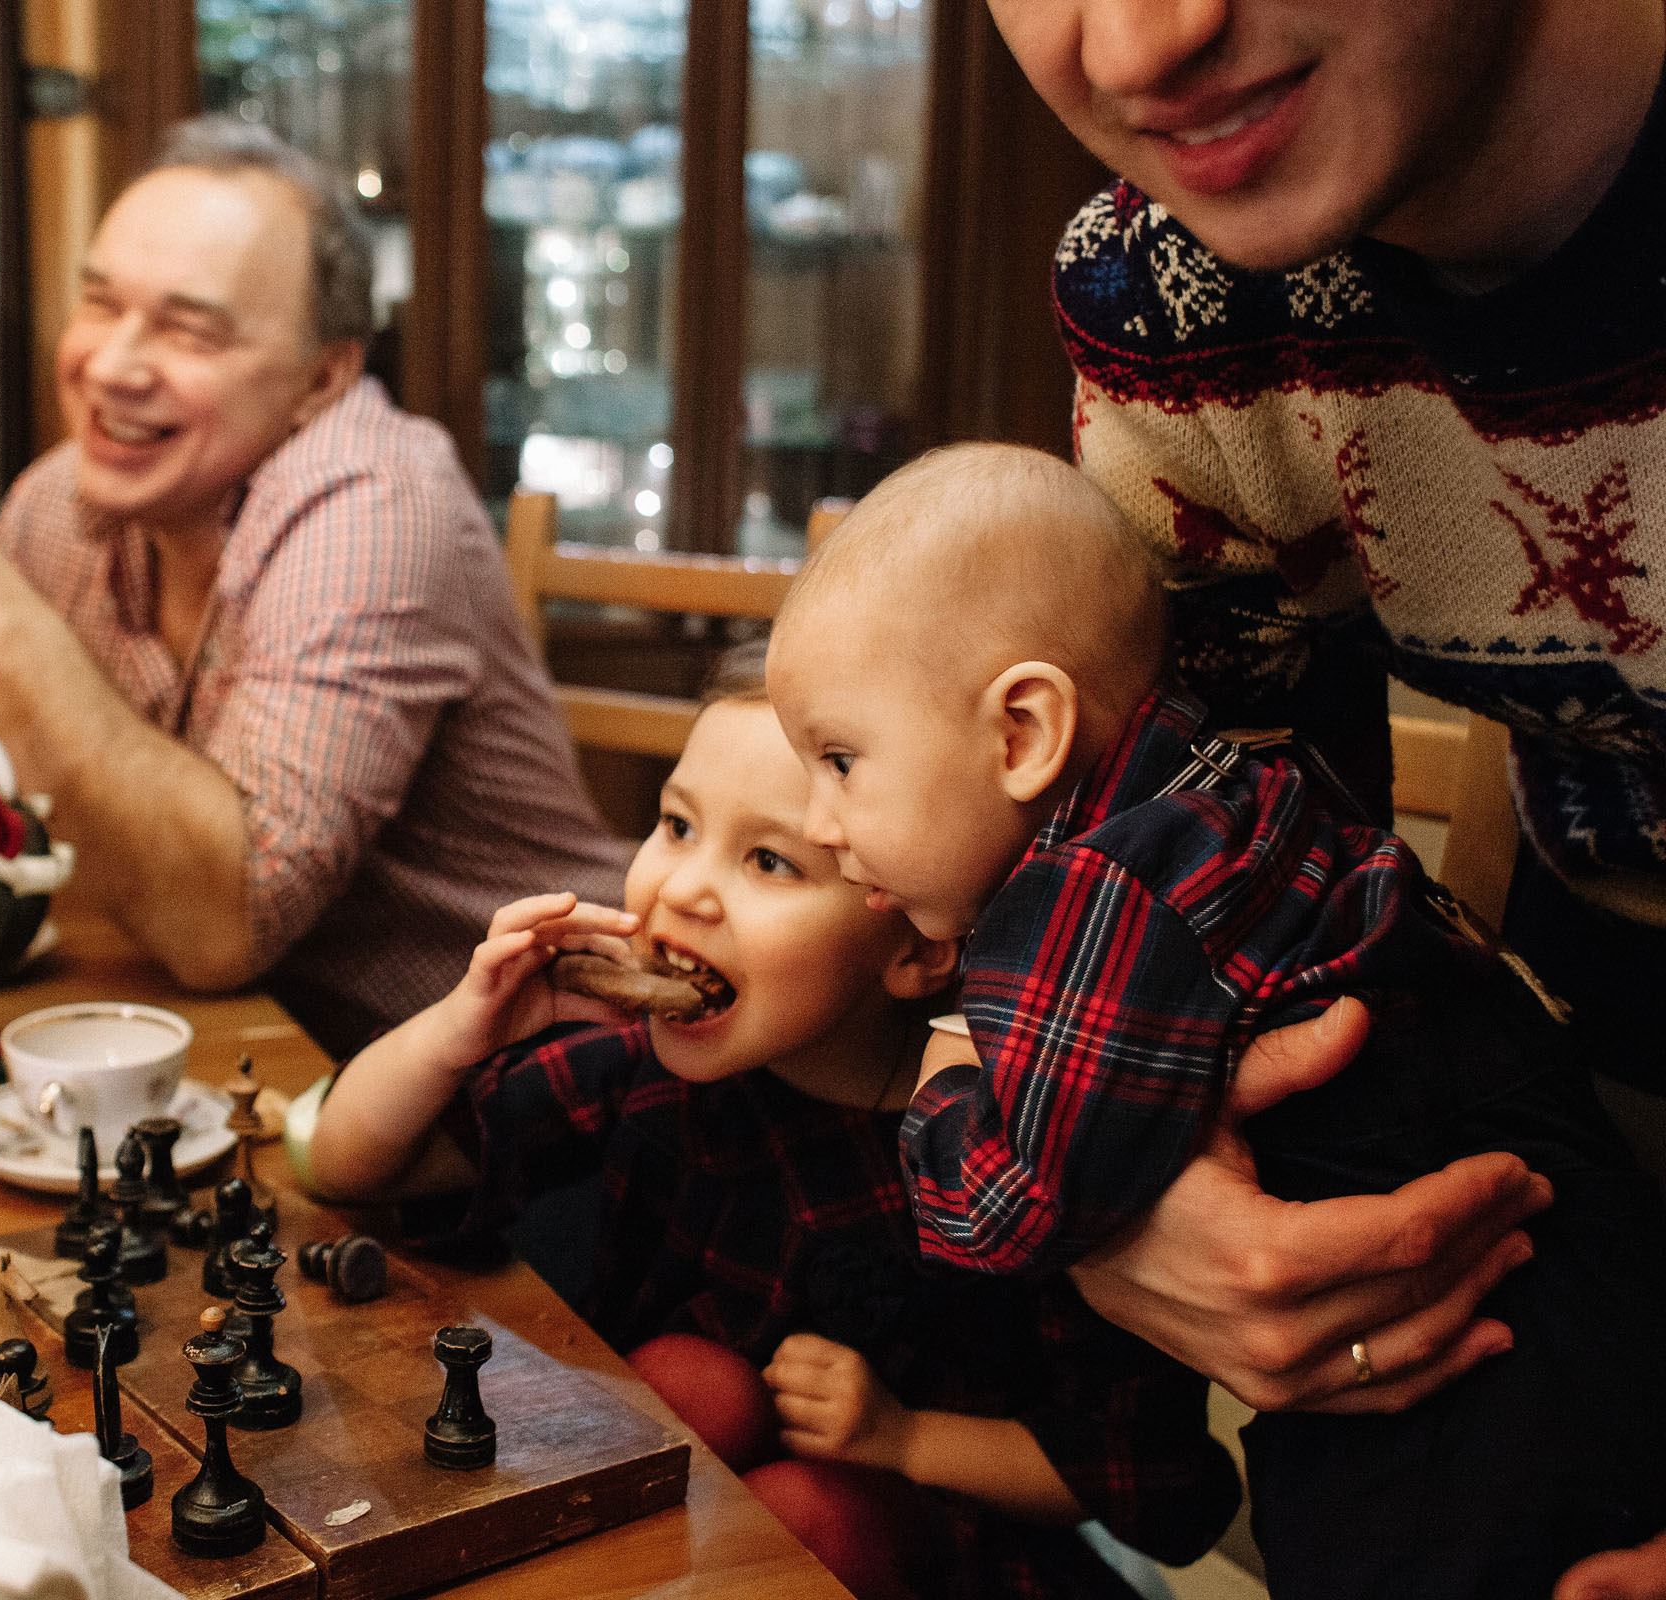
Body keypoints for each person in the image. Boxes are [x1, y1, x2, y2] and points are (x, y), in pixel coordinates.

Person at [975, 5, 1666, 1588]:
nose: (1136, 47)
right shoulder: (1174, 291)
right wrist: (1123, 1206)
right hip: (1575, 1071)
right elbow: (1164, 854)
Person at [767, 444, 1666, 1597]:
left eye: (841, 760)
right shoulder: (1229, 789)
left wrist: (948, 1074)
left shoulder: (1095, 893)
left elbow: (1003, 1210)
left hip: (1462, 1365)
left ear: (1022, 733)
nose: (820, 819)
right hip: (1591, 1270)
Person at [309, 641, 1239, 1600]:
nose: (681, 889)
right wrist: (456, 1032)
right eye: (676, 824)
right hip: (689, 1524)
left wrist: (906, 1439)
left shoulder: (1013, 1159)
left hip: (950, 1547)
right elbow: (350, 1165)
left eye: (768, 861)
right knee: (689, 1380)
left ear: (920, 949)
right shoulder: (645, 1069)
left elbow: (1148, 1479)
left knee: (809, 1506)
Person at [0, 119, 625, 1056]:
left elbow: (227, 929)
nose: (109, 366)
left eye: (188, 329)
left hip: (538, 1068)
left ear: (324, 377)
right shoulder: (57, 503)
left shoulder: (377, 506)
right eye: (100, 303)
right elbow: (20, 782)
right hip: (268, 1045)